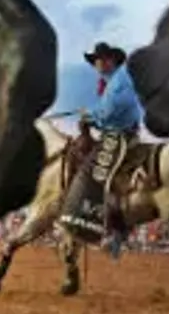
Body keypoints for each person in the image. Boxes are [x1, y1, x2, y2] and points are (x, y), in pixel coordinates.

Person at [59, 41, 144, 240]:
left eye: (100, 59)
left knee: (89, 171)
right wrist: (91, 117)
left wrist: (89, 116)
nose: (97, 64)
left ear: (111, 61)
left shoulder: (120, 81)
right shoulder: (113, 82)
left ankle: (90, 225)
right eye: (96, 60)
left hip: (120, 134)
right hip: (116, 131)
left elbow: (109, 111)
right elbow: (105, 112)